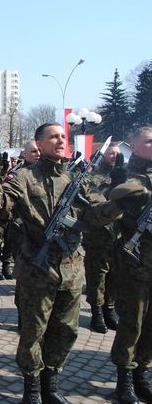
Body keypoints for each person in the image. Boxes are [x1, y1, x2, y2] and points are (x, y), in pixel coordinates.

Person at [0, 123, 113, 404]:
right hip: (38, 270)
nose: (60, 140)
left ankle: (51, 387)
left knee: (66, 331)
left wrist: (119, 197)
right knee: (33, 333)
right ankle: (31, 392)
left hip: (72, 270)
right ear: (39, 144)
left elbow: (96, 215)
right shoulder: (24, 177)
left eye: (63, 136)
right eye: (53, 136)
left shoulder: (77, 177)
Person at [101, 127, 152, 404]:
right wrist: (117, 186)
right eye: (148, 140)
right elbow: (108, 209)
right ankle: (125, 381)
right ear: (133, 144)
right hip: (135, 264)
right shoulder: (128, 177)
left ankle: (142, 374)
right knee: (132, 323)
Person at [82, 142, 120, 334]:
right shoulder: (93, 177)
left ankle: (109, 309)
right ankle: (96, 312)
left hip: (120, 236)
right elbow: (94, 203)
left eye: (117, 154)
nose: (115, 156)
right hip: (98, 235)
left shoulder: (124, 176)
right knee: (97, 275)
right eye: (111, 153)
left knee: (114, 275)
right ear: (102, 154)